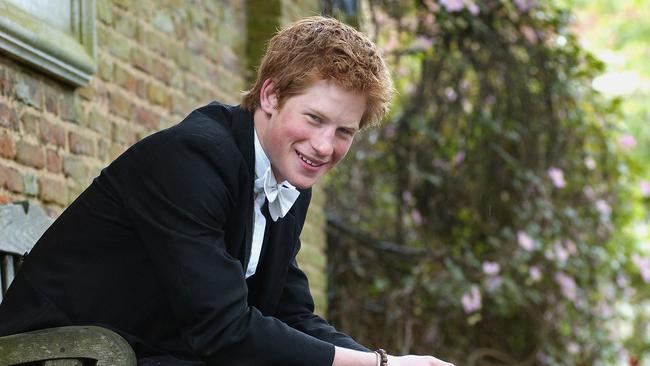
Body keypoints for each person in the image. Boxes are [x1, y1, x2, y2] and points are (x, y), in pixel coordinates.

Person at [0, 16, 452, 366]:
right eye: (314, 119)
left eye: (344, 132)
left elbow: (291, 315)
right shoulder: (195, 159)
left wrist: (384, 360)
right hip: (61, 352)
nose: (324, 146)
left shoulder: (286, 176)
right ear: (271, 96)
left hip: (154, 351)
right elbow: (223, 331)